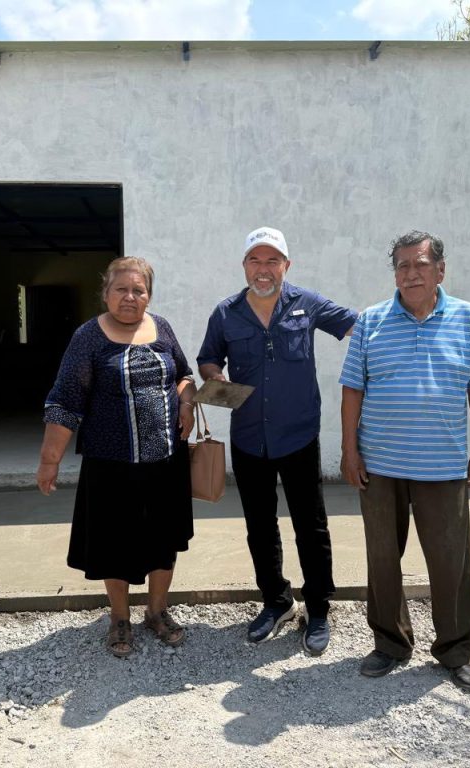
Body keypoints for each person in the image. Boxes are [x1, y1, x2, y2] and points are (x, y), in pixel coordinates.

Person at [339, 230, 470, 694]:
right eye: (402, 266)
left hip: (443, 465)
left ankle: (456, 650)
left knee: (451, 562)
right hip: (380, 464)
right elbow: (353, 387)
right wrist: (349, 449)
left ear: (439, 270)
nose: (410, 273)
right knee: (383, 558)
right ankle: (390, 643)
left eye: (419, 264)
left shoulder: (469, 319)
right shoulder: (371, 320)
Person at [197, 226, 357, 655]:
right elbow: (208, 356)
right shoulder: (226, 312)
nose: (263, 269)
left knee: (312, 525)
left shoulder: (308, 304)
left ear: (287, 265)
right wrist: (214, 377)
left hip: (299, 436)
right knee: (260, 528)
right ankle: (276, 602)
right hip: (250, 439)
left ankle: (318, 608)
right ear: (244, 265)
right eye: (255, 260)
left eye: (272, 261)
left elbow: (358, 329)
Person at [36, 256, 196, 658]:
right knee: (113, 544)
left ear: (149, 295)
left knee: (164, 540)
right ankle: (120, 618)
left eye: (138, 290)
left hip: (165, 462)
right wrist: (49, 459)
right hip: (110, 466)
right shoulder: (88, 337)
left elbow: (183, 373)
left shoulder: (162, 328)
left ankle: (157, 612)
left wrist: (186, 401)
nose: (130, 297)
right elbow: (65, 400)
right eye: (121, 289)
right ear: (105, 293)